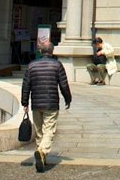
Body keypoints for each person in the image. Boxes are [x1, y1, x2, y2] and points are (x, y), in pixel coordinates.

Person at [20, 40, 71, 172]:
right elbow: (64, 85)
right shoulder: (57, 65)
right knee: (49, 130)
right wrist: (68, 99)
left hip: (36, 103)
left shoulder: (31, 66)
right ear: (52, 52)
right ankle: (42, 152)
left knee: (39, 132)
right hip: (51, 103)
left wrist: (24, 102)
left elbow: (26, 86)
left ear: (40, 51)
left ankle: (41, 156)